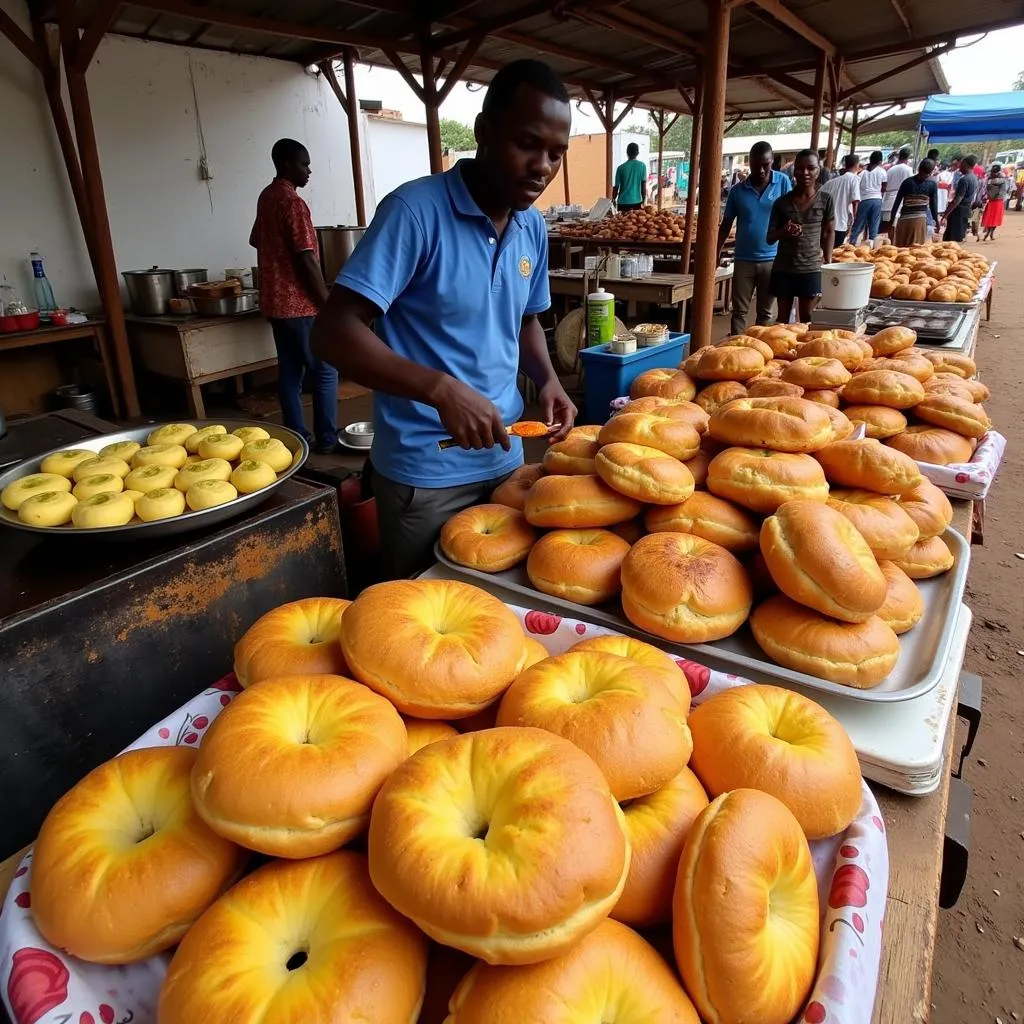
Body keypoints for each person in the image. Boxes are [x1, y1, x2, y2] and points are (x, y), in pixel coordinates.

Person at [311, 60, 576, 580]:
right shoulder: (414, 213)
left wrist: (547, 379)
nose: (542, 166)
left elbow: (524, 320)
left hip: (506, 460)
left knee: (496, 617)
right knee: (421, 614)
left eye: (555, 153)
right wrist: (441, 390)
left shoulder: (532, 228)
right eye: (528, 143)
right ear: (483, 131)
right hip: (425, 475)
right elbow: (334, 332)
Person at [250, 139, 337, 454]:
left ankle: (296, 438)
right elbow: (306, 258)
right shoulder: (293, 203)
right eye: (304, 164)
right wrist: (327, 303)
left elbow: (255, 239)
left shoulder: (267, 196)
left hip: (274, 303)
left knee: (289, 372)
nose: (309, 170)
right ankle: (327, 440)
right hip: (300, 306)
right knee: (326, 370)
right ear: (287, 164)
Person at [715, 141, 792, 335]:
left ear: (772, 161)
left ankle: (760, 349)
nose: (761, 169)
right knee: (739, 311)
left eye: (765, 164)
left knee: (765, 313)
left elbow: (793, 214)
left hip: (773, 259)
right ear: (749, 163)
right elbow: (726, 225)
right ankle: (735, 349)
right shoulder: (737, 191)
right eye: (756, 164)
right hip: (744, 259)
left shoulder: (782, 182)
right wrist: (716, 252)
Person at [766, 150, 835, 325]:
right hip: (784, 268)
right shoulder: (782, 203)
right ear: (794, 171)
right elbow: (770, 237)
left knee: (807, 319)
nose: (805, 173)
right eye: (800, 168)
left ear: (818, 170)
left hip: (811, 268)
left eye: (810, 168)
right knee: (782, 321)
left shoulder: (826, 200)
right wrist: (784, 232)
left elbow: (828, 231)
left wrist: (828, 261)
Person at [889, 159, 939, 247]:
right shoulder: (932, 185)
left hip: (904, 220)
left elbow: (896, 203)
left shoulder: (907, 182)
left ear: (919, 168)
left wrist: (891, 220)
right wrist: (936, 221)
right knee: (916, 249)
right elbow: (933, 206)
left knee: (901, 249)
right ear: (931, 172)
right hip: (919, 222)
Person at [821, 153, 861, 246]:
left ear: (845, 165)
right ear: (857, 165)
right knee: (835, 252)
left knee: (825, 250)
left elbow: (817, 195)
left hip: (825, 223)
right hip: (840, 224)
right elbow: (855, 202)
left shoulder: (831, 182)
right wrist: (854, 222)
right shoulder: (854, 179)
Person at [849, 150, 886, 245]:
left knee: (858, 224)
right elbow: (884, 187)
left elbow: (857, 187)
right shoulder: (882, 172)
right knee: (874, 225)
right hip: (877, 200)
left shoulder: (862, 173)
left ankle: (852, 243)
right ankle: (872, 246)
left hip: (864, 200)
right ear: (880, 161)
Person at [941, 154, 980, 242]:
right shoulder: (974, 178)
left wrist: (945, 215)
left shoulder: (964, 179)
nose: (959, 166)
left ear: (965, 164)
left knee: (951, 238)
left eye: (961, 164)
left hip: (959, 211)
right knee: (959, 235)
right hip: (966, 210)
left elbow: (957, 199)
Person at [881, 148, 913, 236]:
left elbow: (885, 185)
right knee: (895, 226)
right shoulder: (908, 170)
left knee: (887, 225)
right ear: (908, 158)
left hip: (888, 200)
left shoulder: (891, 169)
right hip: (900, 200)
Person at [981, 163, 1011, 240]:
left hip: (991, 200)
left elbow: (986, 190)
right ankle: (991, 233)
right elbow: (1005, 190)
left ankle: (987, 232)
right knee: (996, 218)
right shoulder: (1003, 180)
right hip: (999, 201)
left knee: (990, 217)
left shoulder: (989, 179)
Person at [612, 142, 646, 211]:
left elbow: (616, 187)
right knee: (635, 221)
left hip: (622, 203)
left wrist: (613, 200)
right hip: (636, 202)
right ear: (637, 153)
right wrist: (643, 199)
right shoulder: (642, 166)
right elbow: (643, 185)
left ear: (627, 152)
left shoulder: (620, 168)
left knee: (622, 221)